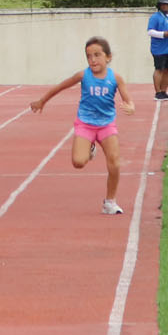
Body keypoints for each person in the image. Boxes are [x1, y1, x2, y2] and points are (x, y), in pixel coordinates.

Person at [29, 36, 136, 216]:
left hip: (106, 125)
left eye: (97, 55)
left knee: (115, 164)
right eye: (89, 56)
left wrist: (130, 107)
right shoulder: (83, 75)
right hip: (85, 124)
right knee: (78, 162)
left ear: (108, 57)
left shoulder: (115, 78)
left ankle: (110, 202)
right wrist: (42, 101)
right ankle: (90, 147)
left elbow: (128, 100)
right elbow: (60, 87)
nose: (93, 60)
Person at [146, 0, 168, 102]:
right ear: (160, 6)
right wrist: (163, 34)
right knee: (159, 69)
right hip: (159, 48)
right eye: (164, 4)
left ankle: (164, 92)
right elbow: (150, 31)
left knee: (167, 70)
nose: (166, 6)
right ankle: (158, 92)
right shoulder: (155, 17)